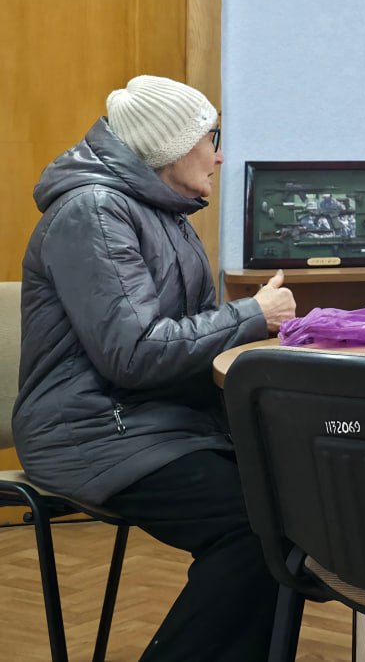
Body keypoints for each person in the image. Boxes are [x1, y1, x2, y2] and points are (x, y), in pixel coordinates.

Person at [12, 75, 297, 662]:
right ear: (172, 147)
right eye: (212, 138)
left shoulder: (163, 213)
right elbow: (136, 352)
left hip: (155, 422)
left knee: (295, 508)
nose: (220, 155)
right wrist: (252, 315)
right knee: (256, 529)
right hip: (92, 430)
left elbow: (182, 334)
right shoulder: (94, 213)